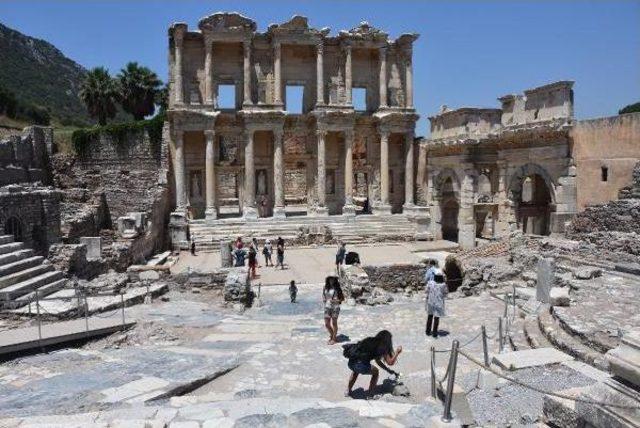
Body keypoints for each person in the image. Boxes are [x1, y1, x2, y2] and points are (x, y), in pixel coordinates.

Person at [343, 330, 403, 398]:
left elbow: (378, 361)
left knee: (355, 371)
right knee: (376, 372)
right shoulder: (383, 346)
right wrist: (397, 352)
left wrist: (387, 370)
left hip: (351, 363)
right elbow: (390, 362)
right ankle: (370, 394)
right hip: (361, 365)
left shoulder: (371, 341)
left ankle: (348, 391)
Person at [426, 268, 448, 338]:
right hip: (439, 303)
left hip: (431, 302)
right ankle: (435, 333)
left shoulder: (430, 283)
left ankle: (428, 331)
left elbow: (426, 291)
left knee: (430, 316)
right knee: (436, 318)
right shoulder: (443, 285)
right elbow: (446, 293)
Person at [323, 276, 344, 344]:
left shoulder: (337, 288)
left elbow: (342, 299)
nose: (331, 280)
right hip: (327, 307)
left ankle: (334, 339)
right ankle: (332, 335)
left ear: (335, 280)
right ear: (328, 279)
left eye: (333, 279)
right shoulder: (325, 288)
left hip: (335, 307)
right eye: (330, 279)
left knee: (334, 323)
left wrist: (335, 301)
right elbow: (324, 295)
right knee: (327, 324)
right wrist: (324, 300)